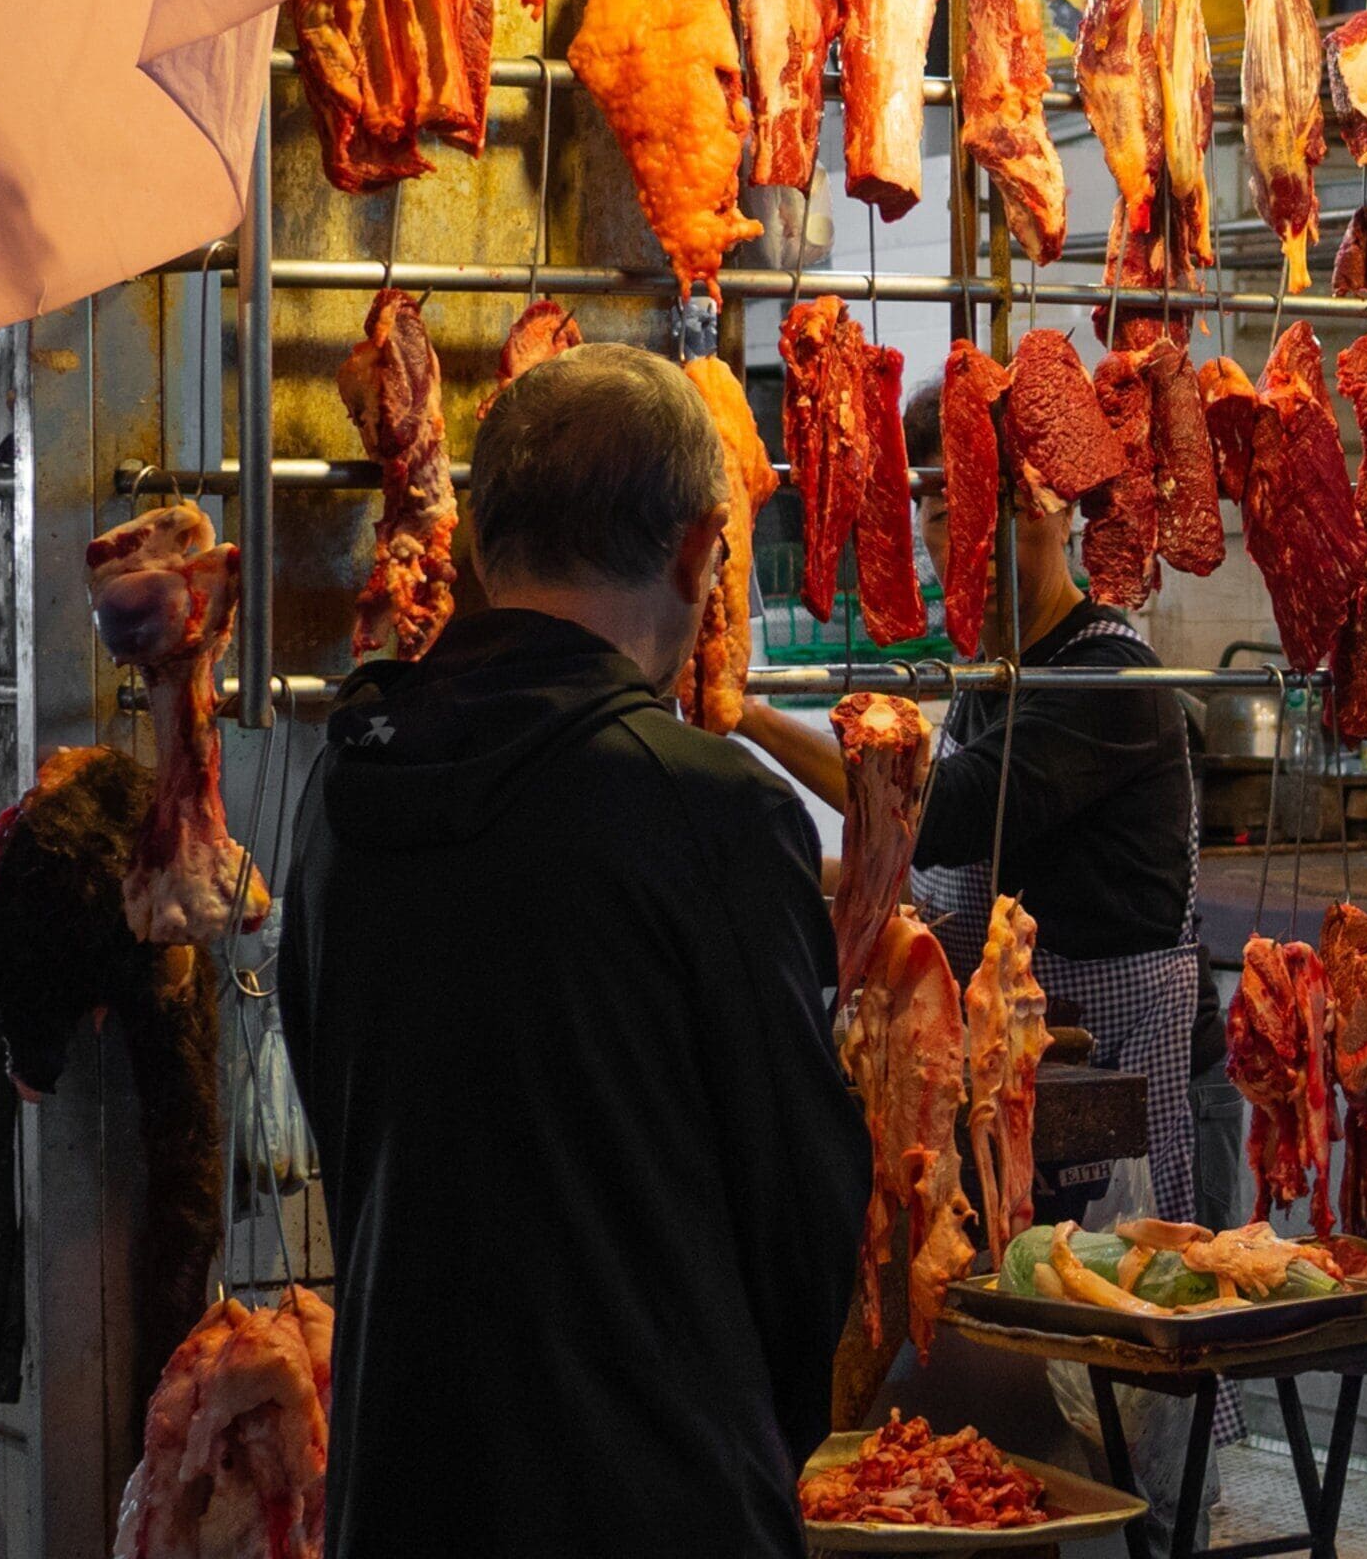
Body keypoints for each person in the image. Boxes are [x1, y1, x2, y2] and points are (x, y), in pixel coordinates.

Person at [278, 344, 870, 1559]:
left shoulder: (346, 784)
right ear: (701, 551)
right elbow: (803, 1219)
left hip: (402, 1489)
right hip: (647, 1496)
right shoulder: (708, 810)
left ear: (478, 545)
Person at [742, 376, 1206, 1228]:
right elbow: (940, 875)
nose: (972, 542)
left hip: (1107, 1078)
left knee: (1118, 1319)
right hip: (1003, 1069)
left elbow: (940, 813)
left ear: (1062, 511)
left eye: (997, 509)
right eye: (944, 509)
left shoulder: (1108, 679)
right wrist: (780, 865)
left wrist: (746, 713)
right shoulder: (990, 678)